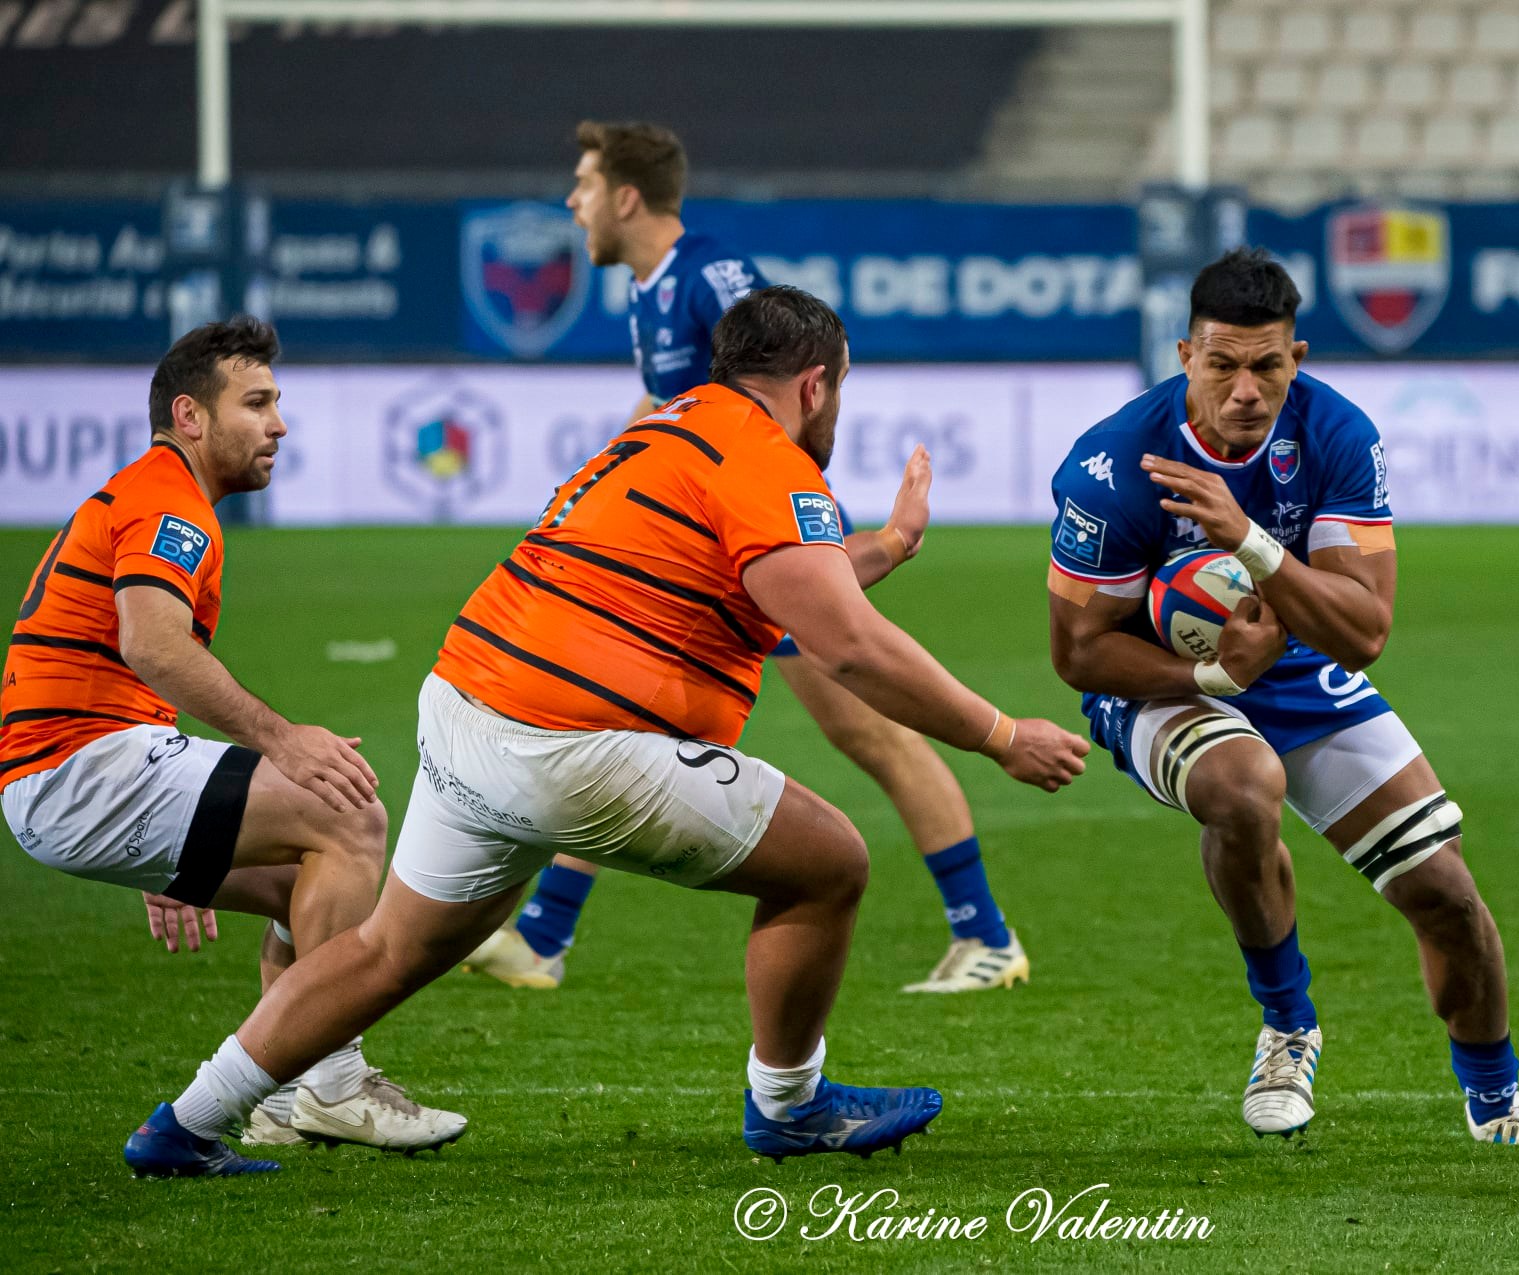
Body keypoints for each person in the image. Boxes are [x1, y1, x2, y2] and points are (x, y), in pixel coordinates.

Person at [132, 287, 1089, 1170]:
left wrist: (886, 545)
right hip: (568, 745)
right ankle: (790, 1103)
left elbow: (769, 586)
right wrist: (1002, 735)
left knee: (389, 950)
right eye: (839, 392)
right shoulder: (767, 459)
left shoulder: (672, 428)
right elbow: (847, 646)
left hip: (468, 706)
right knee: (830, 862)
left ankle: (184, 1123)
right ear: (814, 384)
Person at [1045, 249, 1519, 1150]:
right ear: (1186, 353)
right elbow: (1078, 651)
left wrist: (1253, 542)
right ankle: (1288, 1025)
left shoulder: (1339, 435)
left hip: (1296, 660)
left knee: (1445, 892)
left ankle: (1498, 1106)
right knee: (1240, 783)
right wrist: (1214, 678)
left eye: (1266, 365)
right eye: (1221, 364)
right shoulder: (1112, 465)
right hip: (1154, 679)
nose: (1244, 389)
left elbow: (1365, 629)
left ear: (1296, 358)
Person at [463, 120, 1027, 996]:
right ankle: (543, 933)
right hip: (718, 537)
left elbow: (791, 361)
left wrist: (816, 536)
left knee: (869, 727)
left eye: (582, 185)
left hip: (765, 537)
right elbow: (668, 408)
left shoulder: (710, 276)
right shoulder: (648, 290)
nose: (571, 204)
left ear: (624, 195)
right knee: (630, 725)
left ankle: (986, 935)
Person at [1, 318, 465, 1178]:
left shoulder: (151, 491)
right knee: (347, 810)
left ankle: (282, 1107)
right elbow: (153, 643)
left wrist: (168, 830)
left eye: (278, 403)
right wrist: (281, 740)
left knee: (305, 880)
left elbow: (118, 661)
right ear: (190, 414)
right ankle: (334, 1080)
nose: (278, 424)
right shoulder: (169, 501)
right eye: (256, 404)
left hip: (71, 770)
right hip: (80, 766)